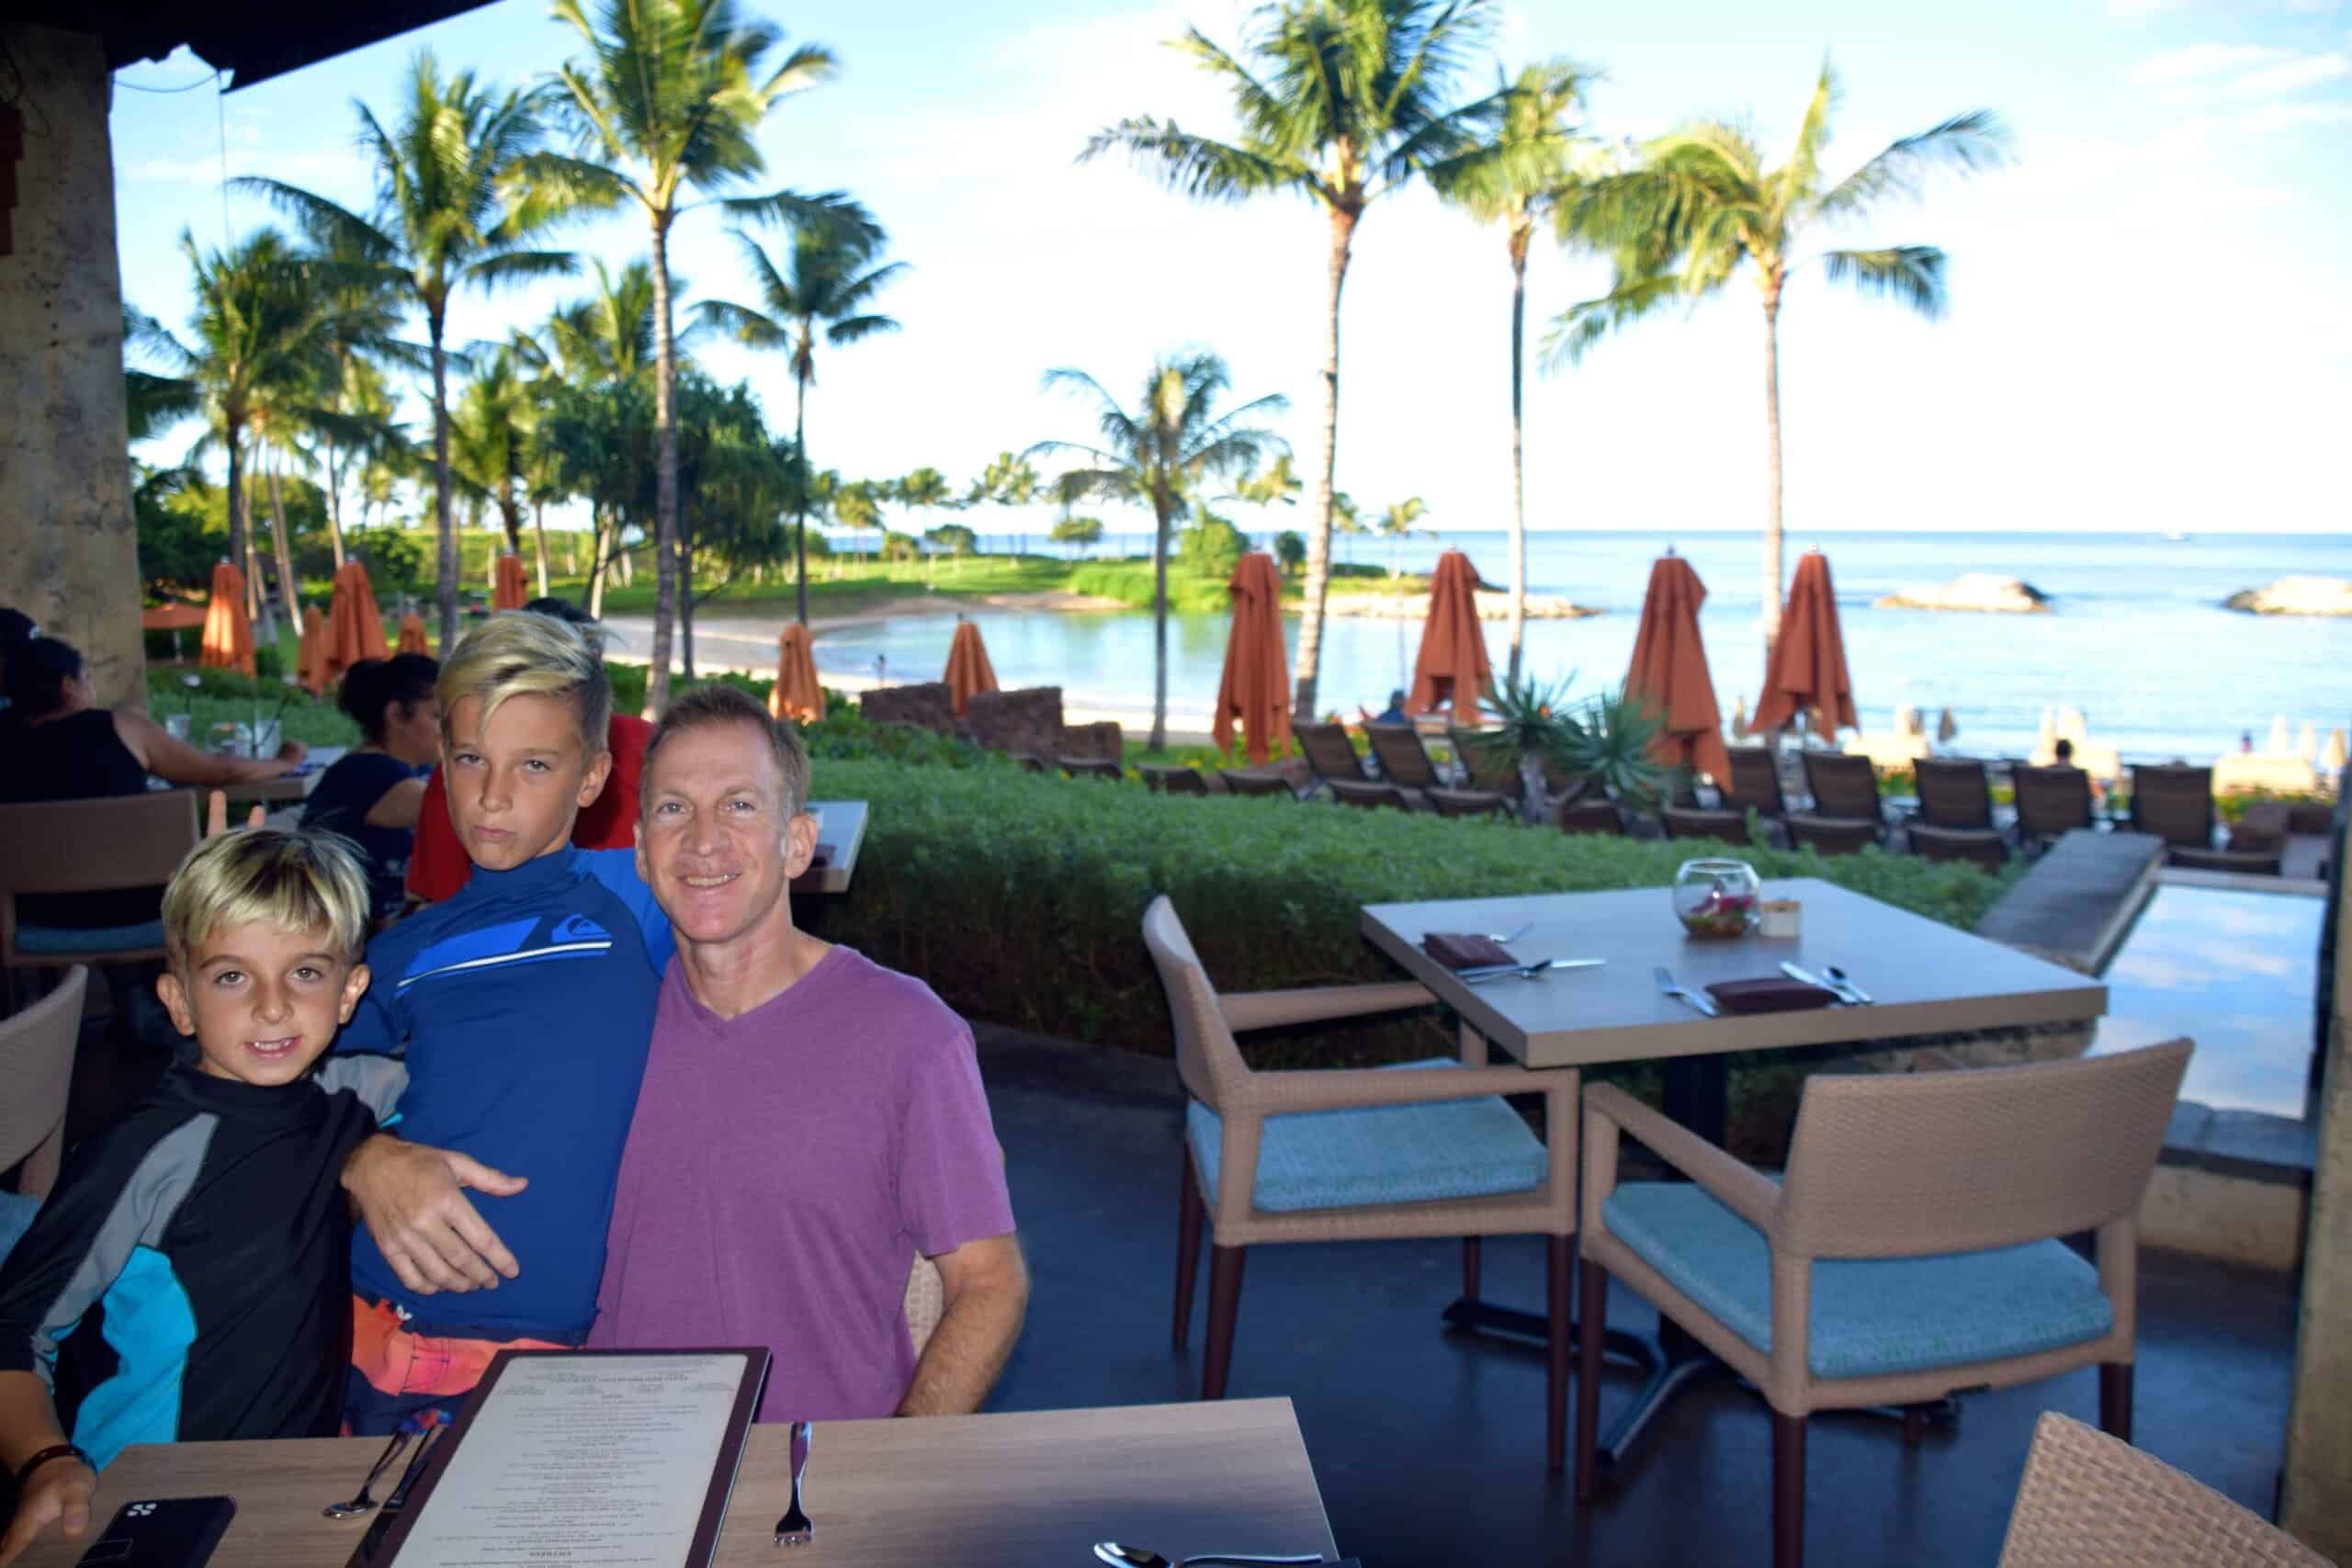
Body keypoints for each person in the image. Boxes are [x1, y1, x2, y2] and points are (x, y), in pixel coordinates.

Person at [588, 684, 1025, 1418]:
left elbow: (991, 1281)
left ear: (797, 843)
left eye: (739, 805)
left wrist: (893, 1464)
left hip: (812, 1476)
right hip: (619, 1470)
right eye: (672, 809)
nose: (702, 840)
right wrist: (367, 1157)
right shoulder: (600, 1021)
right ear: (639, 851)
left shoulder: (909, 1035)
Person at [0, 829, 401, 1565]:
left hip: (286, 1493)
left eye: (305, 971)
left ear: (349, 989)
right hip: (147, 1489)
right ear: (179, 1000)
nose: (274, 1007)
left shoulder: (358, 1092)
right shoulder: (144, 1149)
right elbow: (12, 1328)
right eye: (231, 977)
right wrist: (44, 1461)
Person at [332, 612, 672, 1435]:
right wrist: (359, 1155)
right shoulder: (407, 947)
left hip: (581, 1350)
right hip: (393, 1334)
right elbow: (253, 1081)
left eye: (534, 766)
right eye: (471, 758)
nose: (490, 796)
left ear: (591, 778)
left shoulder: (646, 901)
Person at [0, 637, 306, 930]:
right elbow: (216, 771)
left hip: (37, 912)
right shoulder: (120, 727)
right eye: (86, 677)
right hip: (143, 905)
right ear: (68, 685)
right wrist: (285, 762)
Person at [402, 598, 654, 904]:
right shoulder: (460, 772)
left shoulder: (645, 745)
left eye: (535, 764)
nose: (492, 797)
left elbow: (432, 893)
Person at [301, 655, 439, 922]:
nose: (448, 726)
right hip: (354, 940)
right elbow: (469, 809)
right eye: (436, 715)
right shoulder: (365, 774)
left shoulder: (411, 769)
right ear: (397, 715)